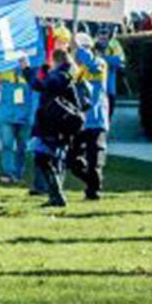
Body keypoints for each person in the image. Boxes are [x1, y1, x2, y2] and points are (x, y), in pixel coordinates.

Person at [29, 46, 83, 209]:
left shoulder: (57, 76)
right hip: (63, 125)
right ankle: (56, 195)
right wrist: (45, 70)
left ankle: (57, 195)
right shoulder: (68, 76)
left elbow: (40, 86)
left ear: (56, 60)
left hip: (51, 124)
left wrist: (26, 71)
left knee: (43, 158)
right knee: (53, 159)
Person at [66, 32, 111, 201]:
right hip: (80, 121)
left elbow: (91, 63)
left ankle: (94, 191)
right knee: (72, 161)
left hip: (96, 119)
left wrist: (78, 47)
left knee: (95, 160)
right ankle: (92, 183)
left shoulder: (99, 64)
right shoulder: (75, 70)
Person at [0, 66, 37, 188]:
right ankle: (8, 173)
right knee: (7, 145)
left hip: (25, 115)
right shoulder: (3, 68)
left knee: (21, 147)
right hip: (7, 114)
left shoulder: (31, 70)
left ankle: (17, 174)